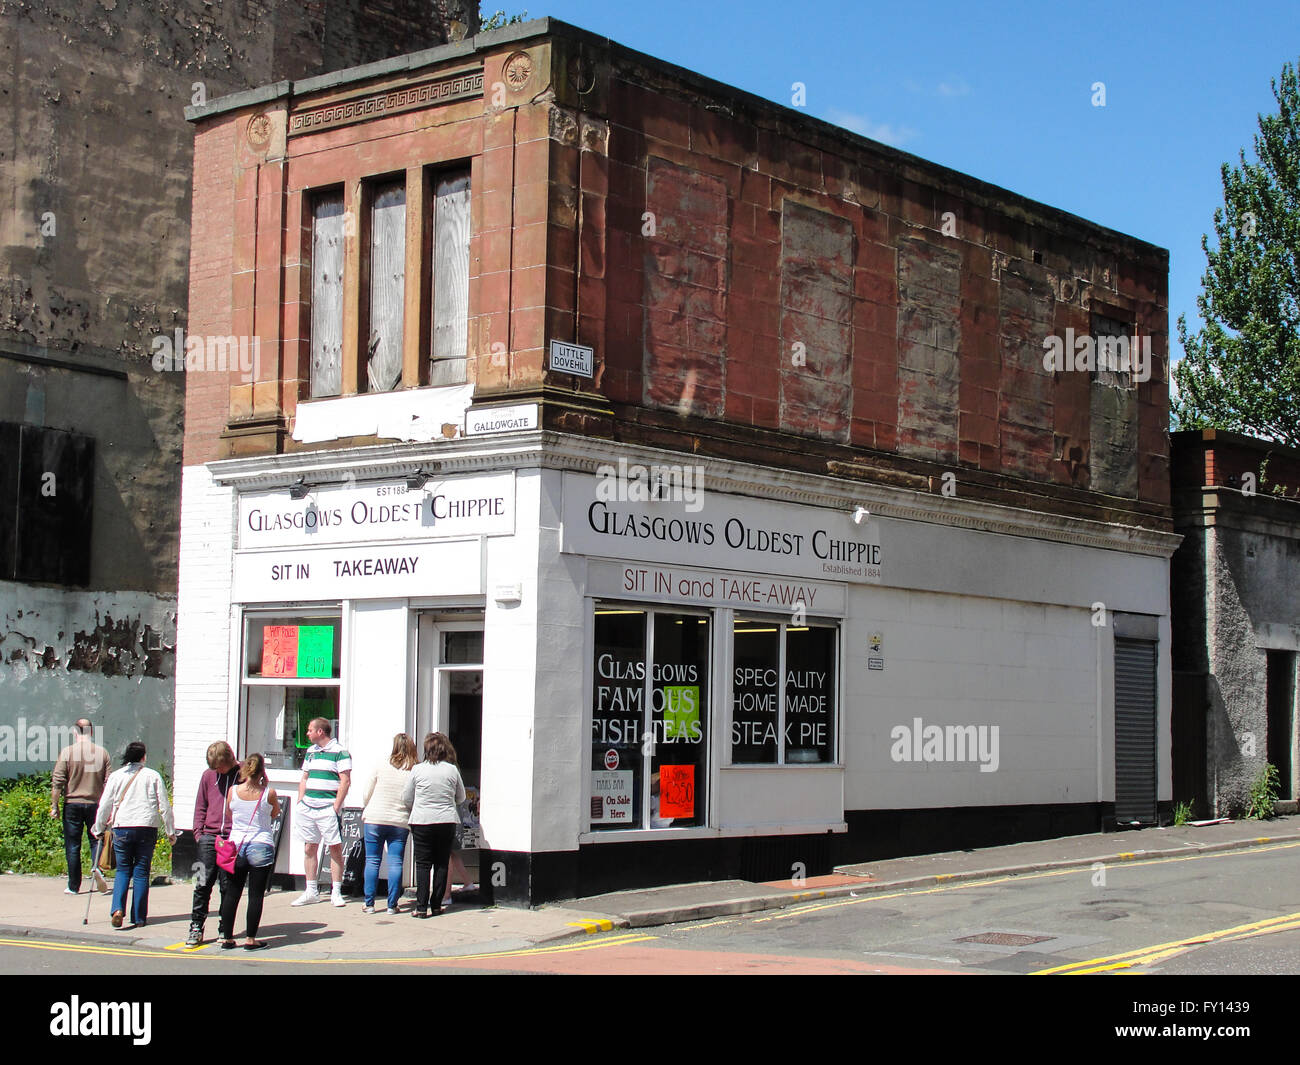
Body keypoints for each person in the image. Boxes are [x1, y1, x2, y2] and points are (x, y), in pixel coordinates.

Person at [93, 742, 175, 929]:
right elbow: (164, 806)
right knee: (141, 872)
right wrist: (170, 831)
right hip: (147, 827)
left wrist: (98, 828)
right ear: (143, 757)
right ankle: (138, 917)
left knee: (123, 870)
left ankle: (117, 910)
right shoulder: (152, 775)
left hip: (122, 827)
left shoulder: (116, 776)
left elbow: (104, 804)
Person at [217, 753, 280, 950]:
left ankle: (227, 938)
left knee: (232, 892)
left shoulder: (233, 791)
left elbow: (229, 812)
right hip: (261, 843)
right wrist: (265, 784)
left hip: (236, 846)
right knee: (255, 895)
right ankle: (251, 939)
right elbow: (274, 813)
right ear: (262, 771)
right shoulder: (268, 793)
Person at [403, 732, 465, 918]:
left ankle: (421, 907)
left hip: (422, 820)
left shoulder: (417, 770)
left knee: (422, 865)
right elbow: (461, 797)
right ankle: (436, 905)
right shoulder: (452, 770)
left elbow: (406, 797)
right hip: (446, 820)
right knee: (441, 863)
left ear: (426, 749)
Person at [291, 717, 351, 907]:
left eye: (310, 730)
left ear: (320, 732)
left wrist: (336, 807)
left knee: (334, 847)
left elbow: (345, 781)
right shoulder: (310, 752)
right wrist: (300, 800)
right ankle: (311, 890)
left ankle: (336, 891)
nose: (307, 734)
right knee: (309, 847)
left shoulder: (340, 752)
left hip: (327, 807)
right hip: (308, 806)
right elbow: (304, 777)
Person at [186, 741, 240, 947]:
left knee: (227, 887)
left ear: (229, 760)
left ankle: (225, 927)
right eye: (214, 767)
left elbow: (262, 784)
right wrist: (198, 833)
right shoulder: (208, 776)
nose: (216, 771)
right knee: (200, 883)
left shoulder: (242, 774)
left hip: (231, 838)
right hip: (208, 837)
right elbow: (201, 805)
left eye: (219, 767)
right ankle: (196, 926)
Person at [50, 718, 111, 895]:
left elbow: (58, 782)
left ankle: (73, 885)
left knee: (73, 845)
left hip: (72, 804)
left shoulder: (67, 753)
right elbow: (109, 783)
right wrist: (108, 808)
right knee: (95, 840)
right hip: (95, 804)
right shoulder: (102, 753)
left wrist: (55, 805)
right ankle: (96, 868)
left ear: (75, 733)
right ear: (91, 732)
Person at [361, 733, 416, 915]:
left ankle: (369, 904)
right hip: (399, 820)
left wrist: (366, 808)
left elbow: (367, 791)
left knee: (372, 860)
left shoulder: (381, 764)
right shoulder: (413, 770)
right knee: (395, 862)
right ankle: (392, 905)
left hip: (375, 818)